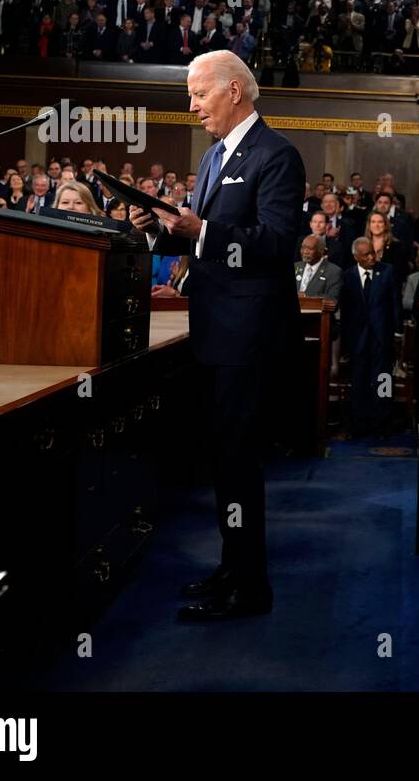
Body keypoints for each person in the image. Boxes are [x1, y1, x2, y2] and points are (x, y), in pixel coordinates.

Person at [129, 49, 305, 622]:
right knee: (222, 462)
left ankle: (250, 588)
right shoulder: (210, 159)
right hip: (212, 331)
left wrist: (202, 227)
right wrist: (162, 226)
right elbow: (203, 243)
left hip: (248, 338)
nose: (192, 104)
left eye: (199, 93)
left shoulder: (276, 155)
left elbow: (278, 243)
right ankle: (232, 569)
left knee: (237, 462)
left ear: (234, 90)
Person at [339, 236, 399, 436]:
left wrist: (395, 333)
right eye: (367, 254)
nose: (372, 257)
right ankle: (359, 422)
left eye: (373, 252)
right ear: (357, 257)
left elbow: (394, 305)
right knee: (359, 379)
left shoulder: (387, 271)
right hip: (357, 339)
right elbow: (346, 311)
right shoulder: (347, 276)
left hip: (381, 337)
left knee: (383, 379)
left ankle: (382, 422)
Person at [295, 234, 342, 302]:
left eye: (310, 249)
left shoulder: (334, 272)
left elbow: (332, 300)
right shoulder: (295, 266)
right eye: (303, 247)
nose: (305, 252)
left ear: (321, 251)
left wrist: (304, 297)